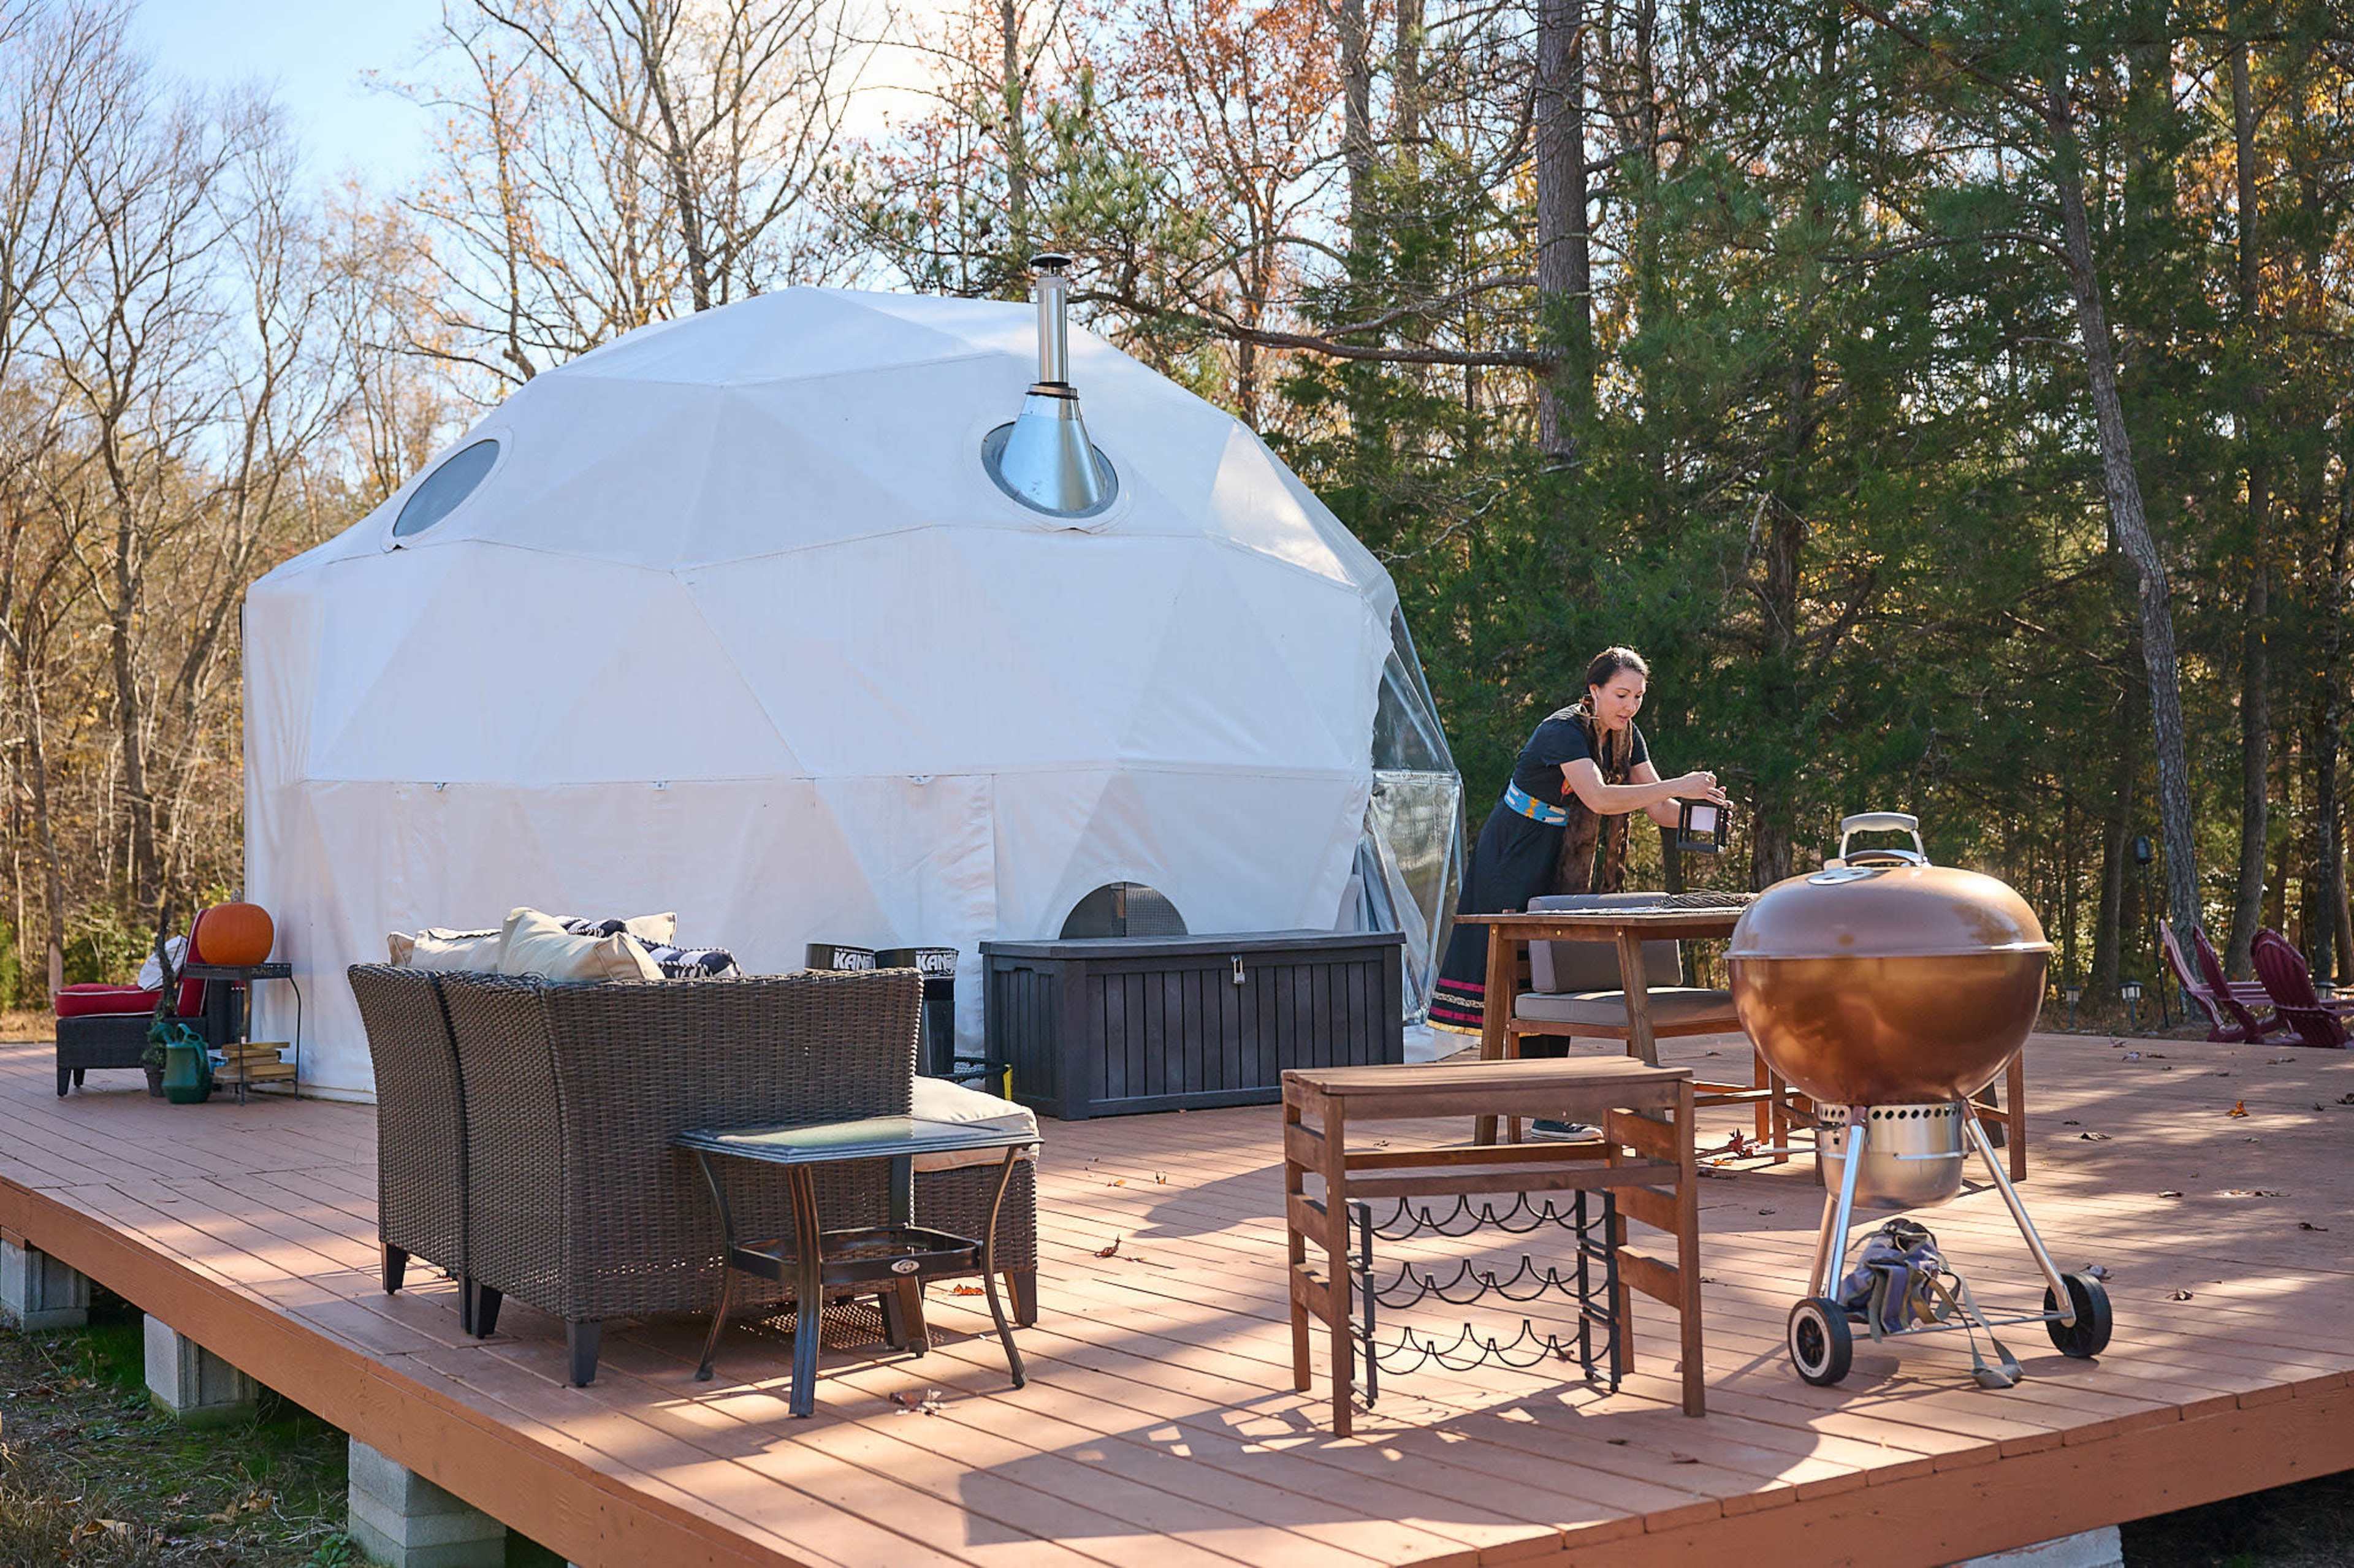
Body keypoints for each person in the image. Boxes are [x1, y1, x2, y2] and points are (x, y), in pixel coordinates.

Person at [1431, 645, 1731, 1068]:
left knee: (1558, 966)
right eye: (1621, 695)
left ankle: (1552, 1103)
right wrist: (1680, 784)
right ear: (1595, 690)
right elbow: (1601, 798)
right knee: (1525, 974)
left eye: (1639, 696)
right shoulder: (1563, 730)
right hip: (1516, 851)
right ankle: (1536, 1099)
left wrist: (1708, 820)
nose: (1631, 706)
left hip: (1565, 851)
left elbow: (1660, 810)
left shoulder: (1629, 736)